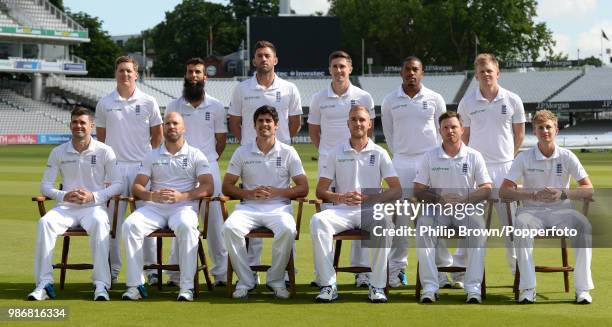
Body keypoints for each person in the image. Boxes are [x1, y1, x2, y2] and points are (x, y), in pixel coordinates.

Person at [28, 107, 123, 301]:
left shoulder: (105, 151)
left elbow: (119, 184)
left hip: (94, 208)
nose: (78, 126)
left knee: (98, 223)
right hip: (66, 208)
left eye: (82, 122)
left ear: (91, 126)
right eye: (75, 122)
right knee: (44, 223)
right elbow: (45, 186)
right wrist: (64, 195)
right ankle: (44, 284)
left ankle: (101, 285)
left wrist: (93, 197)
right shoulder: (59, 151)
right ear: (70, 124)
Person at [500, 109, 594, 304]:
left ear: (556, 130)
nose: (545, 131)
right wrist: (531, 194)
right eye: (540, 127)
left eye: (548, 127)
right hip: (531, 212)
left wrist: (563, 193)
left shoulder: (567, 156)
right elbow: (504, 191)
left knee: (584, 226)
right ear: (534, 131)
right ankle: (528, 288)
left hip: (563, 212)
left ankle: (582, 289)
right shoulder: (524, 157)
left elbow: (588, 189)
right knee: (521, 226)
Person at [310, 105, 402, 303]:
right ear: (348, 124)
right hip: (341, 210)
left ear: (369, 124)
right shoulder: (335, 152)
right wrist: (340, 197)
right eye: (354, 120)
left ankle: (377, 286)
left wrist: (369, 198)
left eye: (362, 120)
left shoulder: (379, 153)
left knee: (384, 224)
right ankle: (328, 285)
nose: (358, 123)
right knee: (318, 221)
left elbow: (396, 189)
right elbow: (321, 190)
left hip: (370, 209)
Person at [228, 40, 302, 278]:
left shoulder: (289, 88)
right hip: (250, 155)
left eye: (267, 55)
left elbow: (295, 123)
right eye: (259, 55)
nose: (263, 59)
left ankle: (279, 276)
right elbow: (235, 122)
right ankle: (249, 276)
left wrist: (282, 143)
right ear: (254, 60)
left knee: (284, 224)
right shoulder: (241, 89)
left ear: (275, 60)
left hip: (280, 156)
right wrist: (248, 144)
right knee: (246, 223)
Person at [121, 112, 214, 302]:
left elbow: (208, 186)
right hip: (155, 207)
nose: (171, 127)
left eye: (175, 123)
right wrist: (151, 195)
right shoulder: (152, 154)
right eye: (167, 124)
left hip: (184, 207)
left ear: (183, 127)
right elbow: (137, 186)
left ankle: (186, 286)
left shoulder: (196, 154)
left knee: (187, 227)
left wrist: (184, 195)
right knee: (130, 226)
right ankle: (135, 285)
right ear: (163, 128)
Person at [222, 105, 308, 299]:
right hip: (248, 208)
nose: (264, 124)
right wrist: (250, 193)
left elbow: (303, 187)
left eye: (268, 120)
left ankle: (276, 280)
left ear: (276, 125)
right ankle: (246, 280)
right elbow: (227, 186)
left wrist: (278, 192)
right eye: (260, 121)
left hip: (279, 209)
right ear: (254, 125)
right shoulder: (242, 152)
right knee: (229, 228)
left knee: (287, 229)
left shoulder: (288, 152)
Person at [455, 53, 525, 287]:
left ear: (498, 73)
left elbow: (519, 135)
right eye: (481, 71)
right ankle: (459, 272)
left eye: (490, 71)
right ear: (476, 75)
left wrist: (509, 162)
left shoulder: (513, 99)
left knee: (512, 225)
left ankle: (519, 272)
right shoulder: (467, 103)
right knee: (471, 224)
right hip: (478, 172)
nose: (486, 74)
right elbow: (464, 138)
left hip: (506, 168)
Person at [308, 50, 376, 288]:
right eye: (335, 66)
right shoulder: (319, 98)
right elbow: (314, 131)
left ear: (350, 69)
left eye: (343, 66)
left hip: (358, 158)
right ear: (330, 69)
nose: (339, 70)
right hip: (330, 161)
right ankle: (324, 276)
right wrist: (329, 152)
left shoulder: (363, 96)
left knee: (361, 209)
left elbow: (369, 128)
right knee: (326, 218)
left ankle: (363, 274)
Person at [95, 56, 163, 285]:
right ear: (115, 73)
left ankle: (152, 269)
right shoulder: (105, 102)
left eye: (129, 71)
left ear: (136, 75)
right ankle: (113, 270)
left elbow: (157, 136)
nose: (125, 75)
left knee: (148, 219)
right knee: (112, 223)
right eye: (121, 71)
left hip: (142, 168)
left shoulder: (148, 101)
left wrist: (150, 163)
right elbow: (102, 140)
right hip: (114, 168)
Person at [381, 56, 448, 288]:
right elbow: (389, 134)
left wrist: (431, 159)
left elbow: (441, 132)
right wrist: (402, 155)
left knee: (433, 217)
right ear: (401, 72)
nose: (411, 73)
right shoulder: (390, 100)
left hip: (430, 163)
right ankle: (397, 270)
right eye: (407, 69)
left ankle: (440, 270)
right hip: (401, 163)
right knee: (401, 219)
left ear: (422, 73)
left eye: (416, 70)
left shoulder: (435, 98)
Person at [413, 111, 491, 304]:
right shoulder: (429, 156)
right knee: (423, 226)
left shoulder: (474, 156)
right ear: (439, 131)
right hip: (438, 211)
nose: (450, 131)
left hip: (466, 210)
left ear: (462, 129)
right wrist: (440, 199)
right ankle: (430, 287)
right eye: (445, 128)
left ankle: (472, 288)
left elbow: (486, 189)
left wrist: (464, 199)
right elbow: (419, 189)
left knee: (479, 230)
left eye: (454, 127)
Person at [165, 57, 228, 287]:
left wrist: (206, 161)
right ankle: (174, 274)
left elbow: (221, 141)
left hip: (208, 167)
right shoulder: (174, 106)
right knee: (179, 218)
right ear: (185, 75)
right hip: (179, 169)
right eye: (190, 71)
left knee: (214, 222)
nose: (194, 76)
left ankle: (221, 273)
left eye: (198, 72)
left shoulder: (217, 106)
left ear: (205, 77)